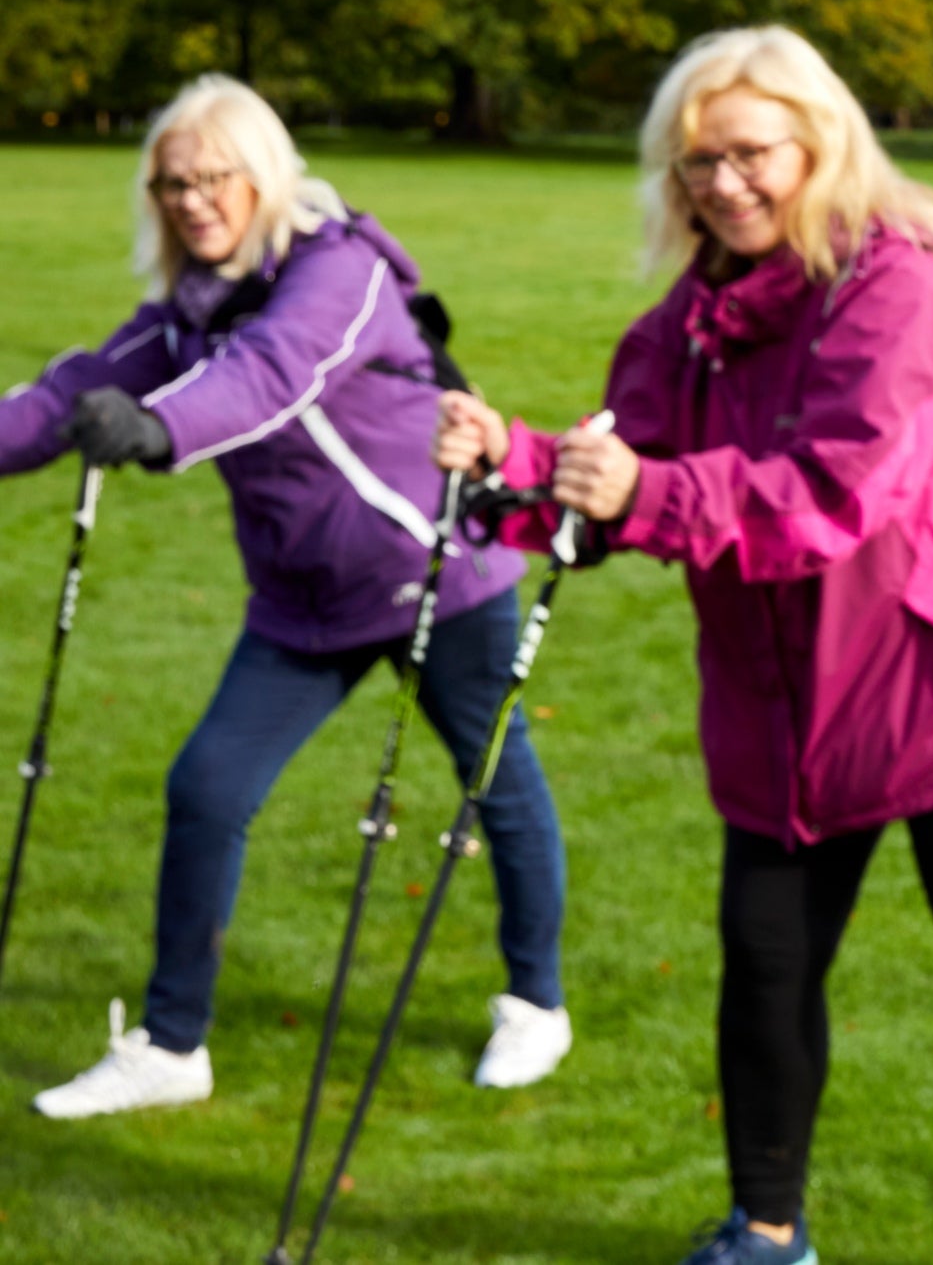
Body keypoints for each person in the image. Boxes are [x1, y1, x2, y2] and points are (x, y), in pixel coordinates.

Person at [433, 26, 933, 1265]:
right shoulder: (688, 321)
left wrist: (633, 491)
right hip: (792, 706)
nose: (722, 183)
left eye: (752, 154)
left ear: (820, 145)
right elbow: (627, 469)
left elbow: (826, 496)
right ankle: (765, 1231)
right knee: (764, 961)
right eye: (697, 161)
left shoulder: (893, 293)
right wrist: (514, 465)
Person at [0, 75, 574, 1118]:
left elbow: (270, 378)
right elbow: (64, 394)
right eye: (171, 182)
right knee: (208, 789)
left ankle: (535, 1003)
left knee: (496, 783)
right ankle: (173, 1048)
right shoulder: (185, 312)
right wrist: (84, 415)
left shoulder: (338, 270)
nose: (191, 199)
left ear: (263, 174)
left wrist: (159, 431)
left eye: (213, 175)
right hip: (303, 604)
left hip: (438, 570)